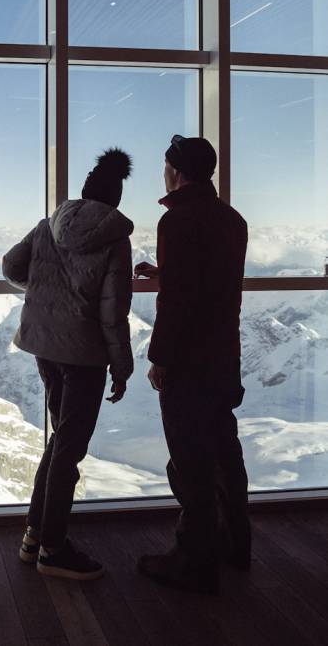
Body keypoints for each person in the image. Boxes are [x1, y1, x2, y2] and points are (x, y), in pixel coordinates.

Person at [3, 148, 134, 580]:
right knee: (69, 450)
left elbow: (10, 265)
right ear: (114, 199)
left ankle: (35, 537)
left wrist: (43, 294)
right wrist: (122, 365)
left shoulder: (48, 225)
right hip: (84, 357)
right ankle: (54, 549)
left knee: (61, 441)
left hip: (46, 349)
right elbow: (113, 312)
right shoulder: (115, 238)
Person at [134, 135, 250, 594]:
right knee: (224, 451)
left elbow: (179, 300)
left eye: (165, 166)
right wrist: (162, 273)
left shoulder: (177, 221)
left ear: (175, 171)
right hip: (224, 355)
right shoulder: (232, 220)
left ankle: (194, 560)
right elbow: (210, 283)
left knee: (189, 461)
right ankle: (235, 544)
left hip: (188, 360)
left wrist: (160, 357)